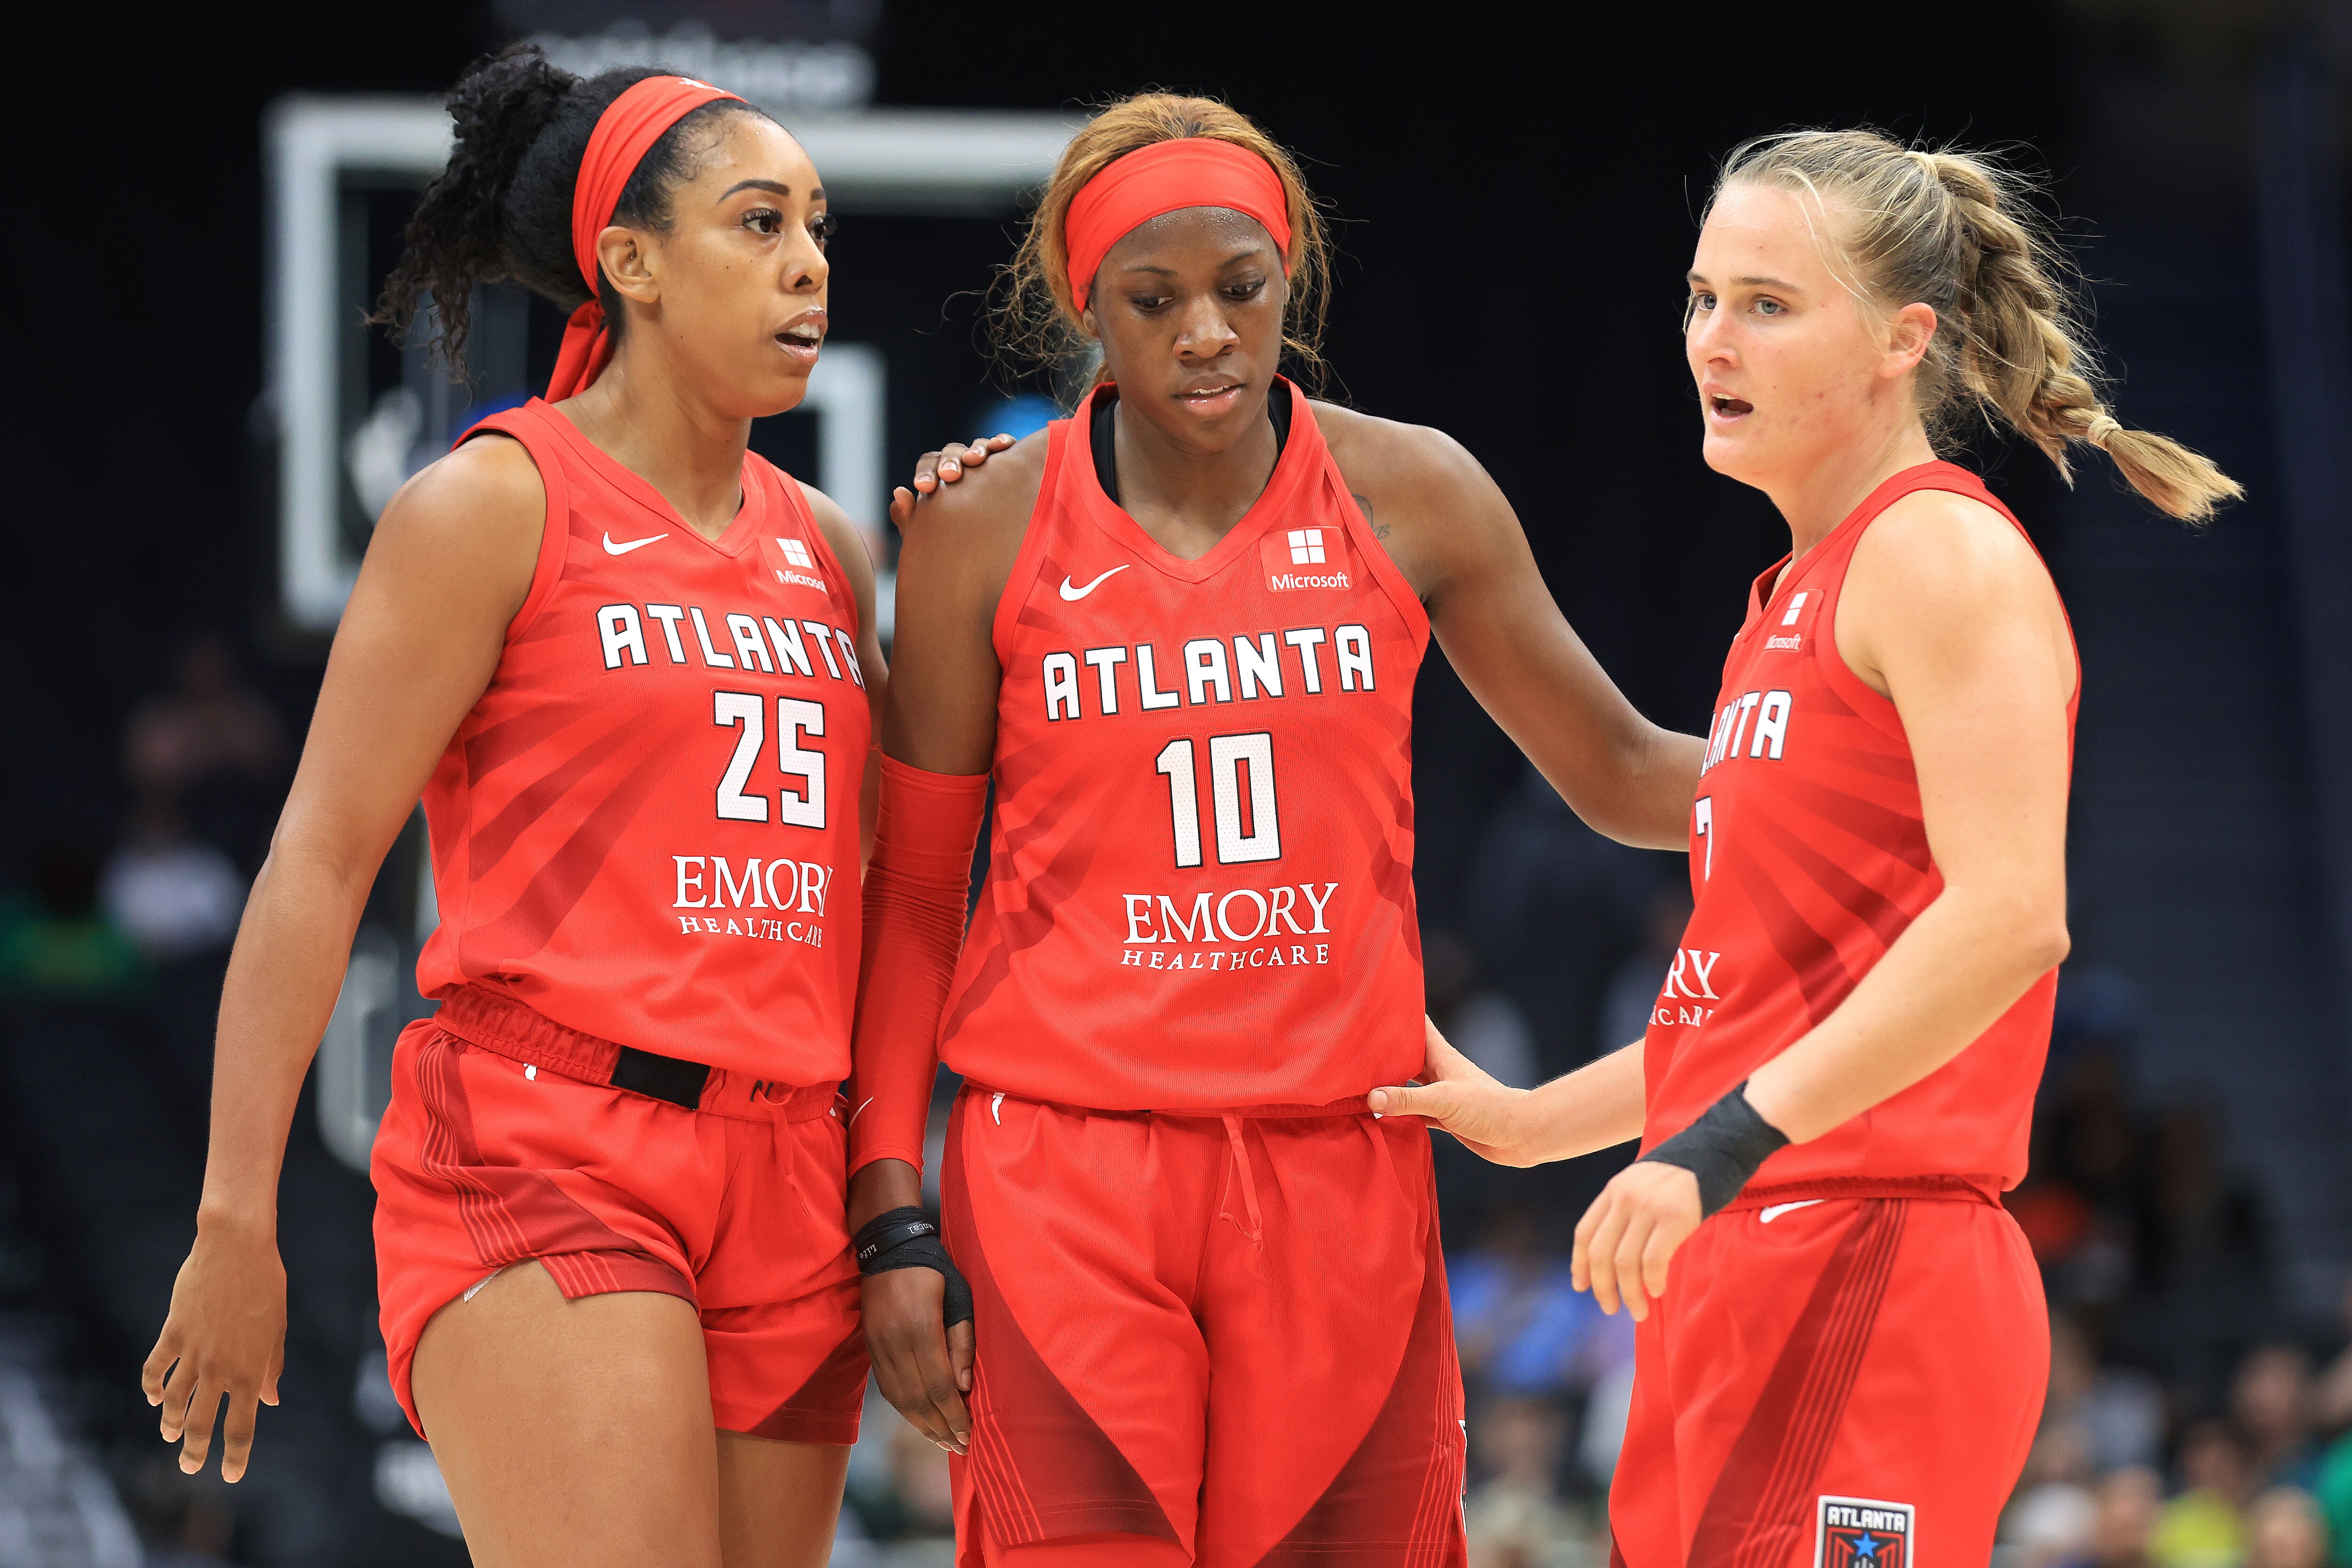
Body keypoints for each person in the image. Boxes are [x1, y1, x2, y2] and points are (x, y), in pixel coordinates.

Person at [848, 94, 1706, 1568]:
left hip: (1338, 1165)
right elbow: (918, 896)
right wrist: (891, 1215)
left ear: (1289, 283)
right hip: (1064, 1174)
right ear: (1087, 309)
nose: (1205, 334)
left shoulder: (1413, 489)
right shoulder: (983, 528)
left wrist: (1853, 772)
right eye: (1155, 299)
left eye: (1241, 291)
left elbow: (1622, 768)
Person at [1375, 127, 2240, 1566]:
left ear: (1908, 340)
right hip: (1749, 1251)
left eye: (1770, 304)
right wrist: (1537, 1124)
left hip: (1873, 1255)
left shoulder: (1940, 559)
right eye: (1706, 299)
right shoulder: (1792, 596)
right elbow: (1772, 1006)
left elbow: (2014, 914)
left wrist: (1711, 1149)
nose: (1717, 339)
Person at [139, 47, 887, 1568]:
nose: (809, 265)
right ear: (630, 262)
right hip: (557, 1146)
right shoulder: (492, 502)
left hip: (790, 1171)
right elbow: (319, 857)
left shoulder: (831, 548)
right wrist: (235, 1213)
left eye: (818, 226)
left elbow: (885, 897)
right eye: (759, 225)